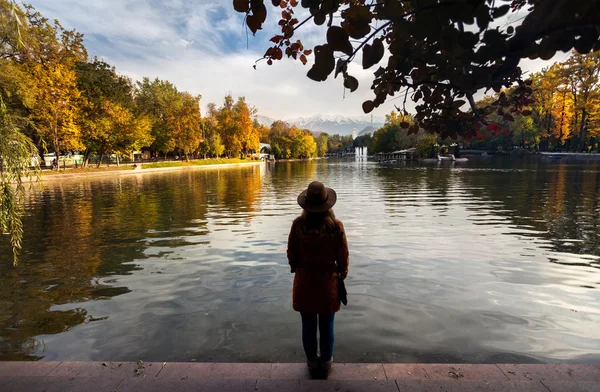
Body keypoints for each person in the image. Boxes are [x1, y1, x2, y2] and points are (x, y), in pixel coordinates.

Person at [287, 181, 349, 378]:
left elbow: (291, 253)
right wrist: (342, 273)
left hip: (304, 281)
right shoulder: (335, 226)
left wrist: (295, 268)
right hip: (327, 283)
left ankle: (312, 363)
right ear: (327, 204)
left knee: (308, 325)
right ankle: (327, 363)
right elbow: (343, 255)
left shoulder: (298, 225)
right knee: (327, 324)